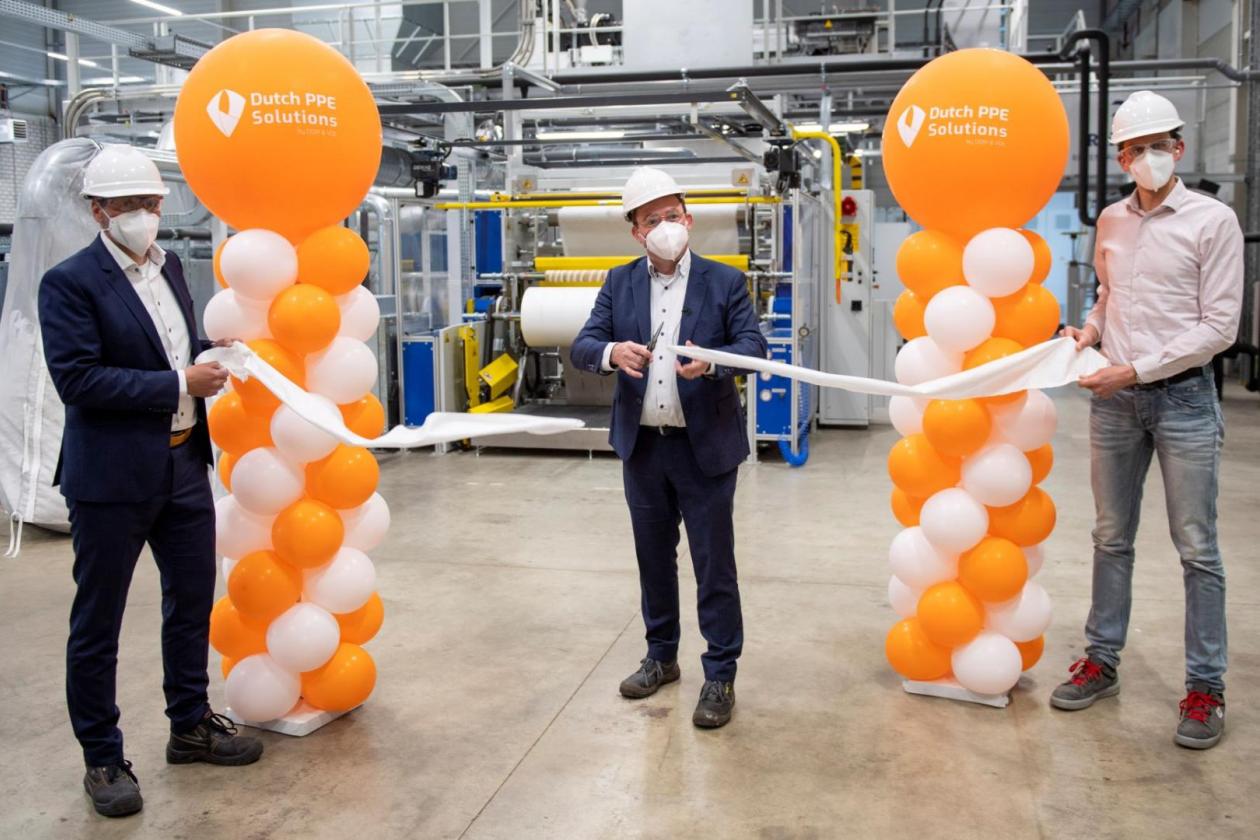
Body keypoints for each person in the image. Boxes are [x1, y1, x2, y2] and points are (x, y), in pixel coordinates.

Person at [38, 145, 262, 818]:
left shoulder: (171, 270)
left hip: (183, 464)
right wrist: (178, 382)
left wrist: (215, 356)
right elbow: (78, 379)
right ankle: (102, 757)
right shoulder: (70, 283)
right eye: (129, 204)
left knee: (191, 602)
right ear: (98, 211)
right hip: (111, 477)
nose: (144, 214)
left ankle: (188, 726)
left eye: (152, 202)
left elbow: (171, 350)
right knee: (98, 622)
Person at [1052, 92, 1243, 750]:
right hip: (1115, 403)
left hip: (1183, 399)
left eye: (1155, 146)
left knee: (1197, 547)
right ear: (1121, 158)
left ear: (1178, 149)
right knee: (1111, 537)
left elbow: (1219, 327)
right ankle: (1101, 661)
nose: (1144, 158)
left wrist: (1133, 370)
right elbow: (1108, 297)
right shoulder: (1111, 221)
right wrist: (1089, 332)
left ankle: (1205, 688)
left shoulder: (1213, 221)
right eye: (1132, 150)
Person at [571, 167, 768, 729]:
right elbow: (584, 345)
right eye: (652, 219)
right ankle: (661, 657)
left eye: (673, 215)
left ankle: (720, 674)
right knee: (653, 561)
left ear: (690, 219)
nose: (665, 226)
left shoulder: (724, 281)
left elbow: (753, 346)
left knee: (714, 566)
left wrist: (715, 362)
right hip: (644, 450)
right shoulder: (619, 283)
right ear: (636, 231)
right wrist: (612, 353)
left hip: (705, 449)